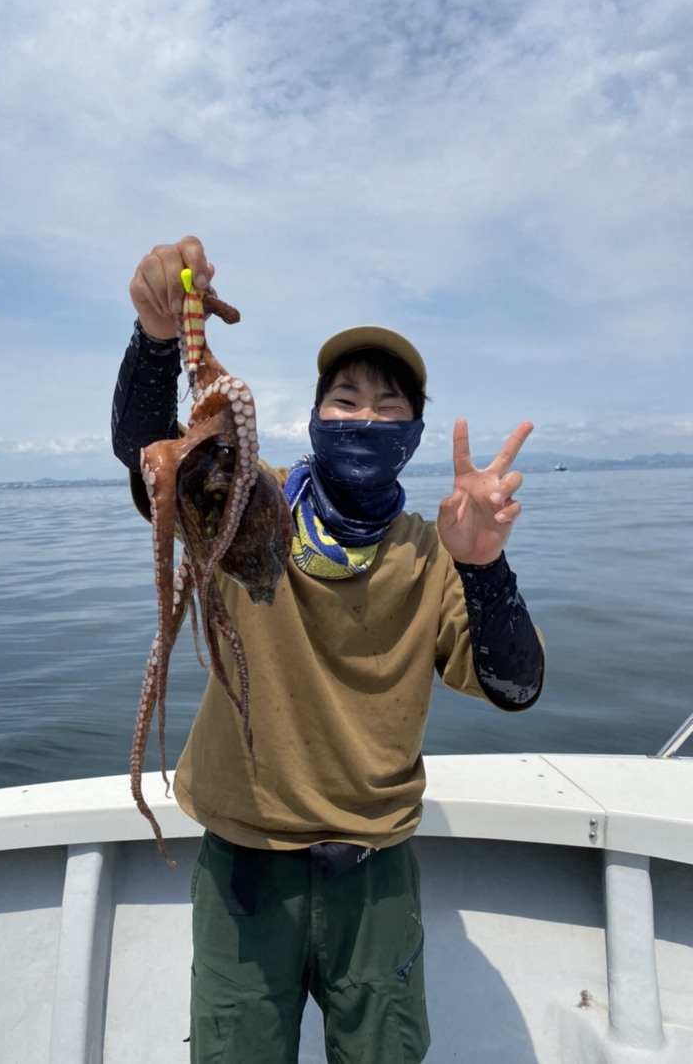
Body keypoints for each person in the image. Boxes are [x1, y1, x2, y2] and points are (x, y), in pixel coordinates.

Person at [112, 235, 545, 1064]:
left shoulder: (431, 552)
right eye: (346, 399)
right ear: (315, 418)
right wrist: (159, 339)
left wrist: (484, 568)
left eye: (389, 406)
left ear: (414, 433)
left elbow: (515, 684)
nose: (366, 418)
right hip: (244, 869)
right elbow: (151, 460)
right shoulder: (246, 501)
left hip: (374, 879)